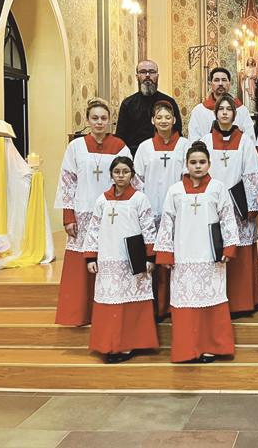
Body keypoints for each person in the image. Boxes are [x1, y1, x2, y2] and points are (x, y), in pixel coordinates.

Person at [154, 142, 240, 363]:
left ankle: (213, 346)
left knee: (211, 299)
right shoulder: (175, 191)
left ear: (209, 164)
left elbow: (228, 219)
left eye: (202, 162)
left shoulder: (218, 188)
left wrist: (229, 248)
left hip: (211, 256)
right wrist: (165, 253)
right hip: (183, 255)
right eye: (193, 162)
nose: (198, 166)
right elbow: (167, 223)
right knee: (186, 301)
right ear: (186, 164)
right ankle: (188, 349)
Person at [54, 98, 133, 327]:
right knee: (81, 264)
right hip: (83, 211)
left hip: (112, 213)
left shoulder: (120, 147)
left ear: (110, 121)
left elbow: (130, 179)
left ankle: (105, 311)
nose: (99, 122)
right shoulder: (76, 147)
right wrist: (68, 216)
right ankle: (78, 314)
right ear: (88, 120)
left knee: (108, 261)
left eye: (104, 118)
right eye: (95, 118)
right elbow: (67, 182)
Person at [83, 156, 159, 363]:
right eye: (117, 172)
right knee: (111, 302)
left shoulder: (139, 199)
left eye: (125, 172)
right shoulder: (102, 200)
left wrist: (150, 256)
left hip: (132, 259)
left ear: (132, 175)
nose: (121, 176)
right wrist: (91, 257)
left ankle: (128, 344)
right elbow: (93, 230)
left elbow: (149, 228)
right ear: (111, 175)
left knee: (130, 302)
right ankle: (109, 344)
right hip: (108, 258)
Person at [201, 94, 258, 318]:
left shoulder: (245, 141)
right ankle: (216, 299)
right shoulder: (206, 142)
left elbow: (252, 174)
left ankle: (243, 302)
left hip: (239, 205)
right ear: (215, 113)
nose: (225, 112)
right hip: (213, 204)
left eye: (229, 109)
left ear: (234, 115)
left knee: (241, 250)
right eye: (221, 109)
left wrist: (249, 206)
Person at [133, 101, 190, 322]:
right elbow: (137, 180)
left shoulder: (185, 145)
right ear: (153, 121)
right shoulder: (145, 147)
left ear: (174, 120)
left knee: (174, 258)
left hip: (177, 211)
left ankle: (173, 305)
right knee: (152, 259)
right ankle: (154, 306)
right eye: (159, 117)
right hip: (151, 210)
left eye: (168, 117)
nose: (164, 121)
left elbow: (189, 175)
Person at [115, 60, 183, 155]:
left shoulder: (169, 102)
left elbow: (177, 132)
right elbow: (120, 138)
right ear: (137, 76)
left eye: (151, 72)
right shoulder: (128, 104)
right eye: (143, 72)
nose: (147, 75)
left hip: (164, 153)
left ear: (157, 76)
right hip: (134, 154)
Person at [188, 68, 256, 142]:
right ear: (211, 84)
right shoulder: (199, 111)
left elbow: (250, 139)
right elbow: (193, 139)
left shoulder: (241, 110)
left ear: (229, 84)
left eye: (224, 80)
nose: (220, 83)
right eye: (216, 80)